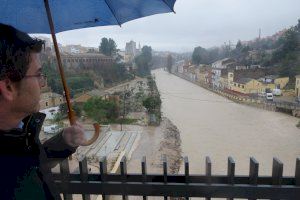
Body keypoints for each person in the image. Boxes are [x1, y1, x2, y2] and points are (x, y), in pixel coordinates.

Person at [0, 23, 87, 199]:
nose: (43, 83)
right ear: (8, 87)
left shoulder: (19, 133)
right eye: (38, 74)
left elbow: (29, 165)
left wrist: (63, 143)